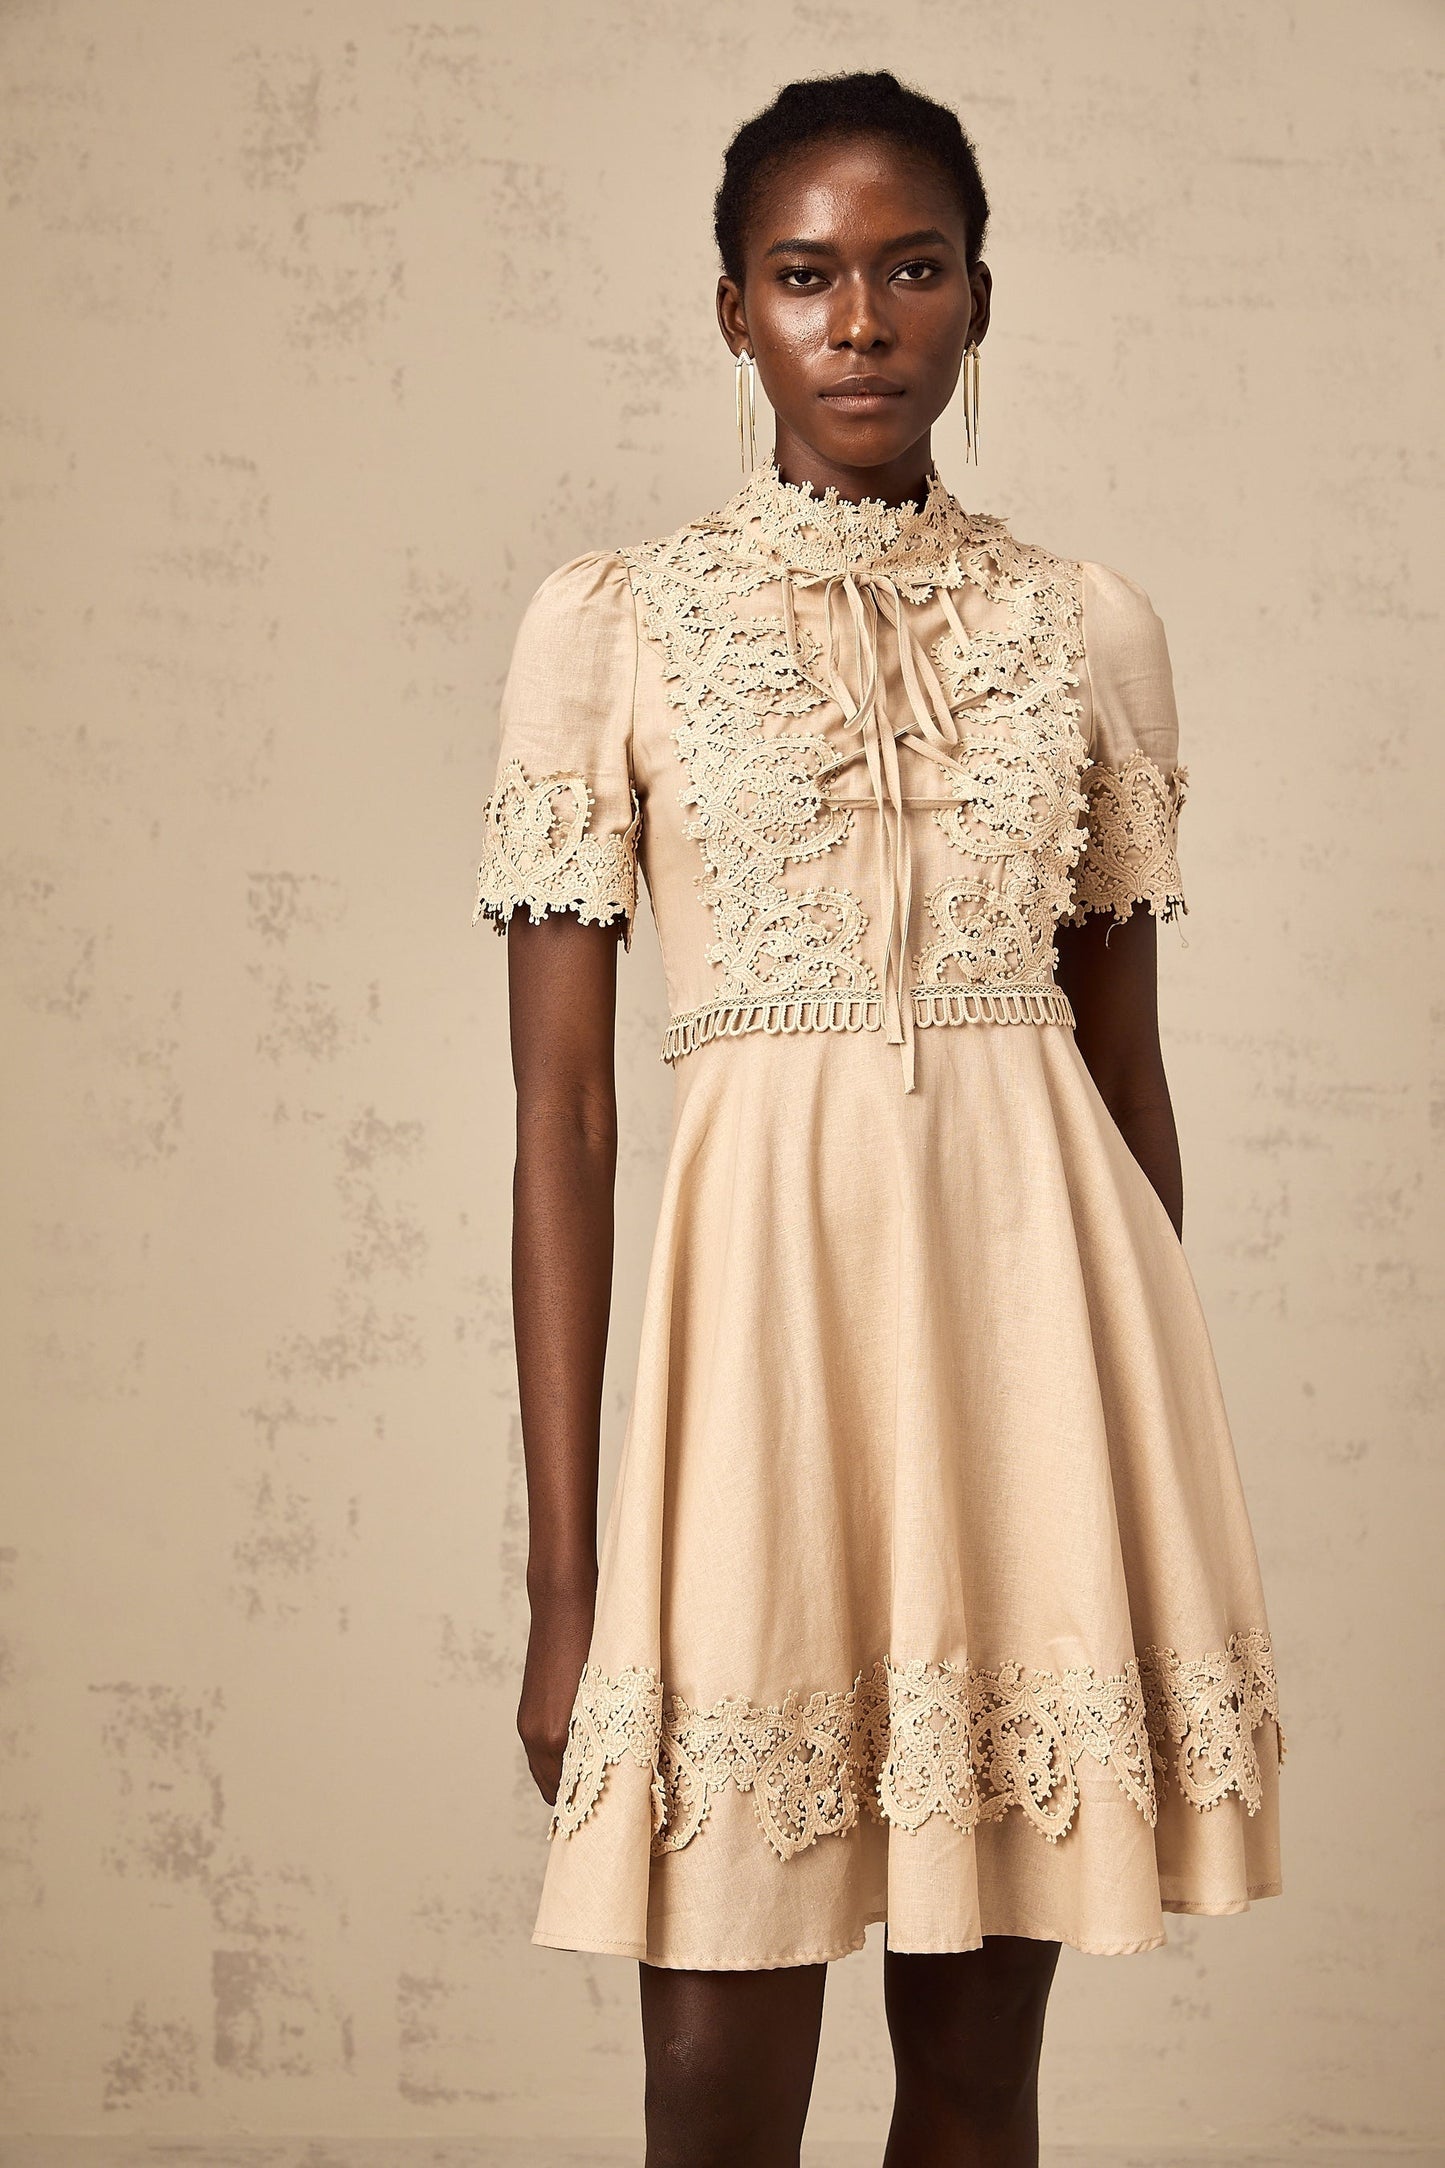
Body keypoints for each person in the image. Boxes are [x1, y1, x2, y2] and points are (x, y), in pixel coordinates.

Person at [472, 70, 1285, 2168]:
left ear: (978, 302)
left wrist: (1144, 1476)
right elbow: (560, 1121)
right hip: (761, 1382)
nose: (860, 324)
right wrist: (567, 1585)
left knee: (979, 2079)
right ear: (730, 310)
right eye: (806, 276)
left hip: (1038, 1392)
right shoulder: (611, 631)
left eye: (908, 271)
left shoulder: (1091, 632)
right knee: (718, 2083)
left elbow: (1128, 1080)